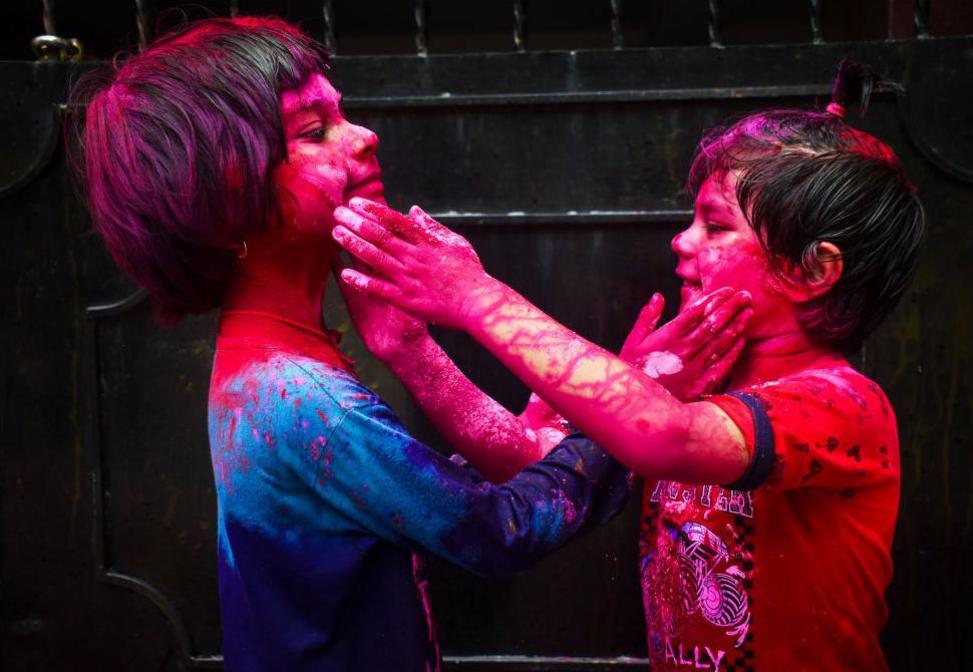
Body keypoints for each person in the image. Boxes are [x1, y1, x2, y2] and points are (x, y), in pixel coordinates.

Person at [66, 16, 747, 671]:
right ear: (221, 195)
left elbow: (426, 492)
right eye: (314, 130)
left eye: (342, 114)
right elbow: (500, 528)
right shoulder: (297, 397)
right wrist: (645, 400)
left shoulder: (279, 363)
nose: (363, 137)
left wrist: (413, 350)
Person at [333, 61, 925, 670]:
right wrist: (409, 347)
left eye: (716, 226)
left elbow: (663, 435)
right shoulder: (687, 377)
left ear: (812, 271)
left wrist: (474, 295)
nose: (682, 241)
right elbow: (526, 457)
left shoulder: (839, 403)